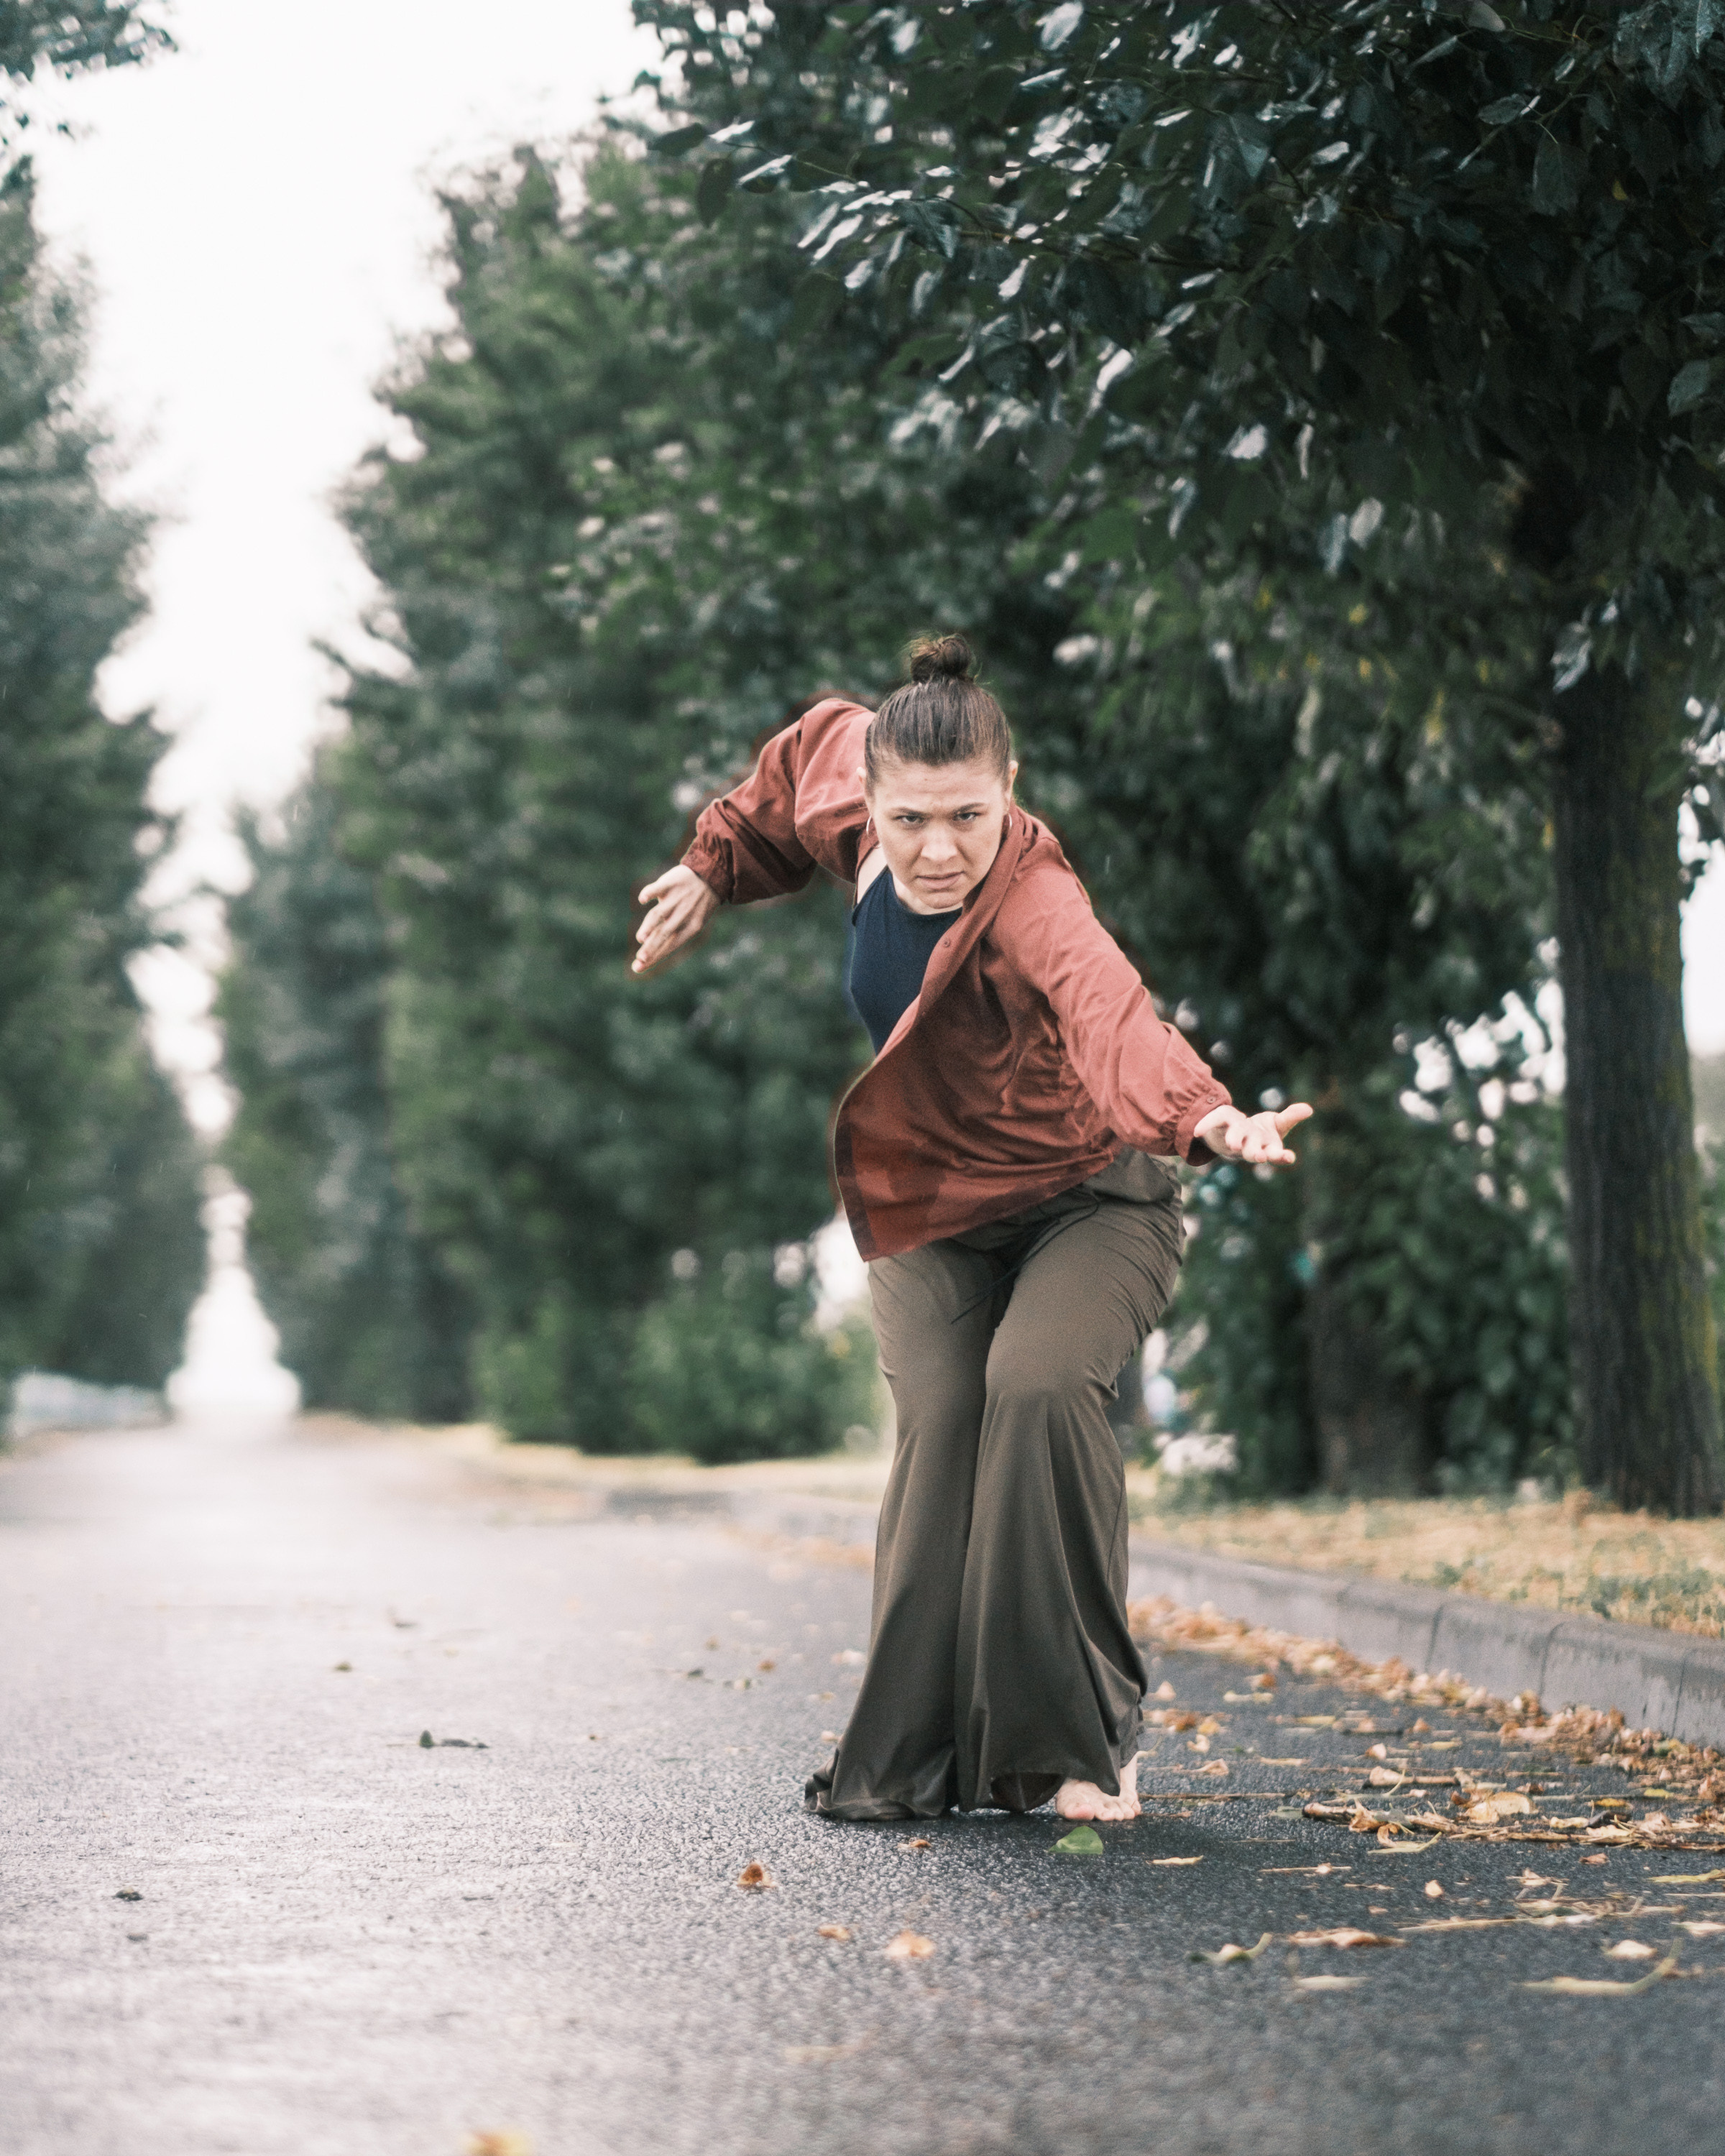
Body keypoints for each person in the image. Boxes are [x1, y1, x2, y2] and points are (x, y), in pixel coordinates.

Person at [632, 635, 1310, 1823]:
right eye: (910, 822)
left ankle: (1083, 1741)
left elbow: (1111, 1013)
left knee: (1036, 1387)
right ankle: (919, 1753)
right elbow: (791, 768)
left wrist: (1204, 1115)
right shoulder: (851, 780)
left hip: (1091, 1199)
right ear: (873, 804)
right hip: (936, 1207)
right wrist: (711, 868)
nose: (939, 850)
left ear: (1010, 791)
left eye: (968, 818)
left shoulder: (1036, 899)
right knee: (943, 1421)